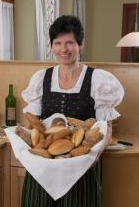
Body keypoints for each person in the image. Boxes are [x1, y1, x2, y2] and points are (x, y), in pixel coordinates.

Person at [21, 15, 124, 207]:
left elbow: (106, 127)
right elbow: (32, 121)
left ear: (81, 44)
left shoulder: (98, 80)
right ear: (51, 46)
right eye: (58, 43)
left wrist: (94, 157)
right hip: (44, 166)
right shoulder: (41, 78)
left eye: (69, 42)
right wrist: (31, 149)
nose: (63, 49)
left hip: (81, 166)